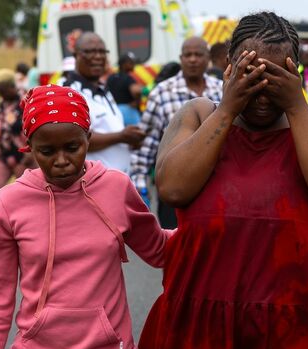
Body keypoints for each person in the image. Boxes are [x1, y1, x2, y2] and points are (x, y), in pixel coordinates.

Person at [136, 12, 308, 349]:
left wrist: (297, 106)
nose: (263, 90)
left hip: (292, 322)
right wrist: (228, 109)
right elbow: (171, 188)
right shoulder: (199, 114)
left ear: (296, 73)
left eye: (276, 75)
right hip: (199, 317)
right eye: (251, 74)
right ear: (229, 68)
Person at [0, 85, 171, 349]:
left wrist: (216, 225)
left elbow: (161, 250)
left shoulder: (116, 188)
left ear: (88, 138)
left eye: (72, 147)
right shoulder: (10, 202)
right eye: (47, 151)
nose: (62, 161)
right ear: (29, 146)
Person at [130, 37, 223, 228]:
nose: (192, 59)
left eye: (198, 55)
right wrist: (139, 186)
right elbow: (148, 143)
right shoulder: (162, 92)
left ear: (208, 59)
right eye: (188, 55)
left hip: (216, 186)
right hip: (175, 184)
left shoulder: (221, 89)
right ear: (181, 58)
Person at [64, 32, 146, 173]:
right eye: (90, 52)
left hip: (121, 180)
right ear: (76, 55)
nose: (98, 56)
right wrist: (121, 136)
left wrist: (130, 140)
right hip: (95, 185)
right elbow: (74, 139)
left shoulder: (103, 89)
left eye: (102, 52)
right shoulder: (69, 92)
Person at [0, 69, 35, 208]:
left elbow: (35, 128)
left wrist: (30, 154)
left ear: (11, 86)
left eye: (2, 90)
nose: (0, 94)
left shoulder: (26, 100)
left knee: (27, 195)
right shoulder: (2, 102)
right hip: (2, 153)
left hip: (24, 156)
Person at [106, 52, 143, 126]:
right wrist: (137, 100)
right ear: (124, 64)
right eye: (131, 62)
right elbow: (136, 91)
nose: (133, 64)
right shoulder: (127, 78)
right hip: (128, 111)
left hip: (114, 111)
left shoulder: (111, 77)